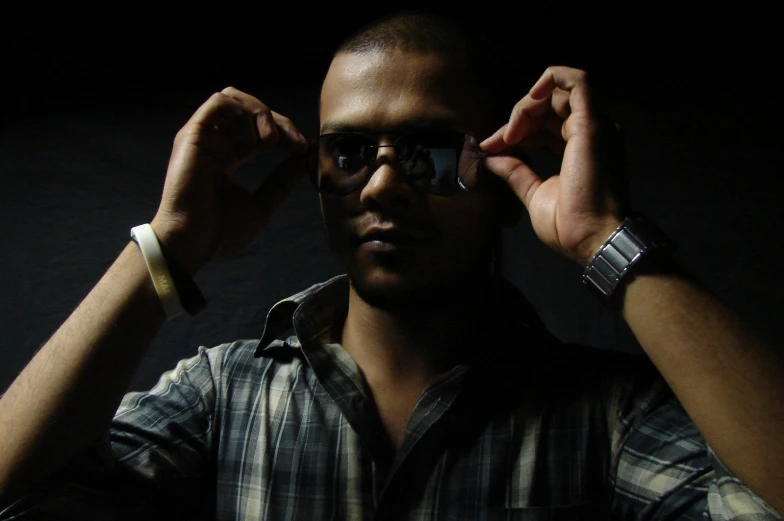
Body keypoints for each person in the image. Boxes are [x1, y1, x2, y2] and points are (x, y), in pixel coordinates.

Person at [1, 10, 782, 521]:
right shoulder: (225, 395)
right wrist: (165, 250)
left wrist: (599, 236)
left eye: (428, 153)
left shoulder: (607, 417)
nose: (380, 184)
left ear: (504, 167)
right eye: (347, 151)